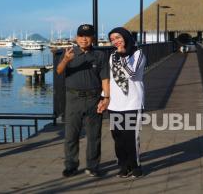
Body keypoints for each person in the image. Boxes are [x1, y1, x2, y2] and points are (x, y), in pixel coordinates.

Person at [56, 24, 110, 177]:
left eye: (87, 36)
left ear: (92, 38)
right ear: (76, 37)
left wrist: (106, 98)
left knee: (94, 135)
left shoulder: (99, 55)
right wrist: (66, 60)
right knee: (71, 135)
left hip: (94, 98)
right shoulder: (69, 52)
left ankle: (93, 166)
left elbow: (105, 78)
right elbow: (59, 71)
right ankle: (71, 165)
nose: (83, 39)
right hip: (73, 99)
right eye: (80, 36)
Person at [98, 27, 146, 178]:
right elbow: (111, 78)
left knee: (130, 137)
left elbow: (131, 73)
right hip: (115, 103)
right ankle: (123, 165)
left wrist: (122, 56)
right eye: (112, 39)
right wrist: (103, 98)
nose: (116, 41)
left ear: (125, 37)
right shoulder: (112, 55)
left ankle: (135, 165)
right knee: (117, 137)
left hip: (132, 102)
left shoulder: (138, 53)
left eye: (118, 37)